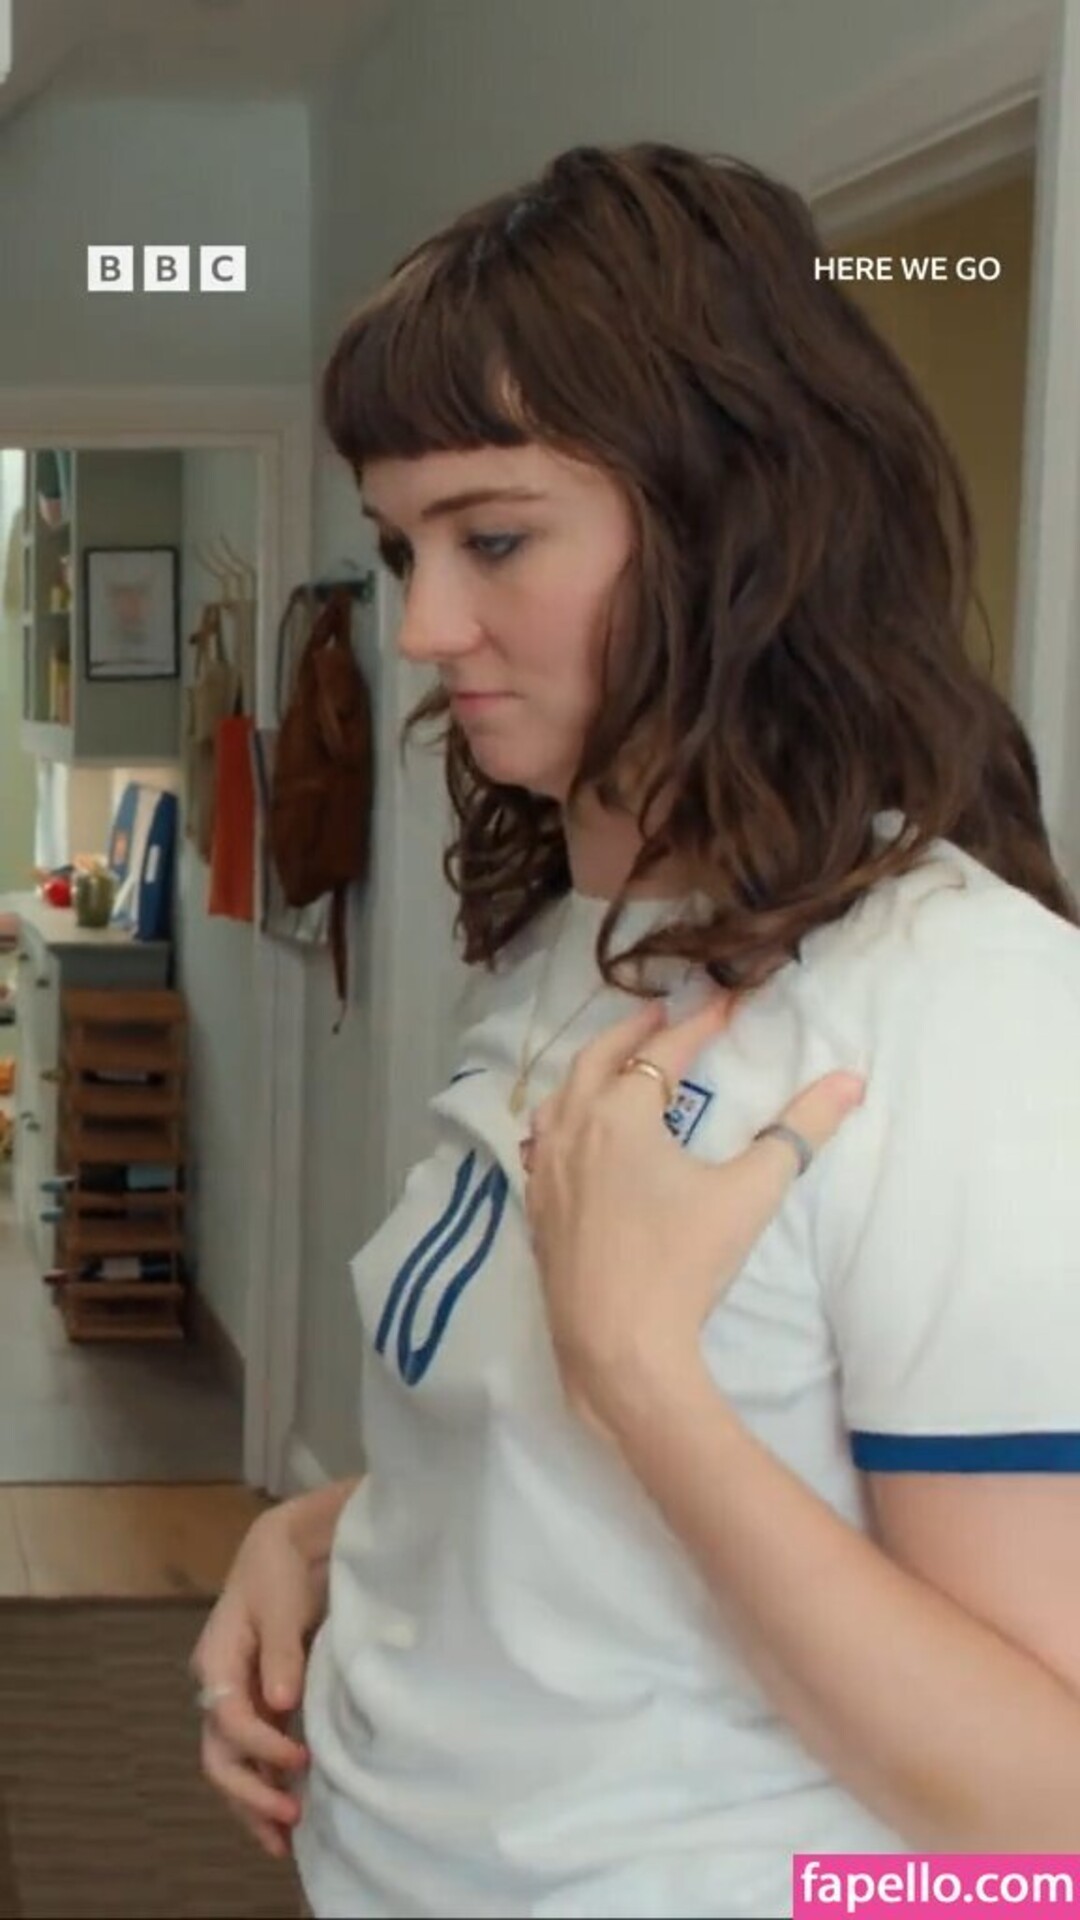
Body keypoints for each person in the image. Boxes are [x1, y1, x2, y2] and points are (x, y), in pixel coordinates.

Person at [193, 142, 1080, 1919]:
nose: (424, 627)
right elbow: (566, 1479)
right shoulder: (575, 948)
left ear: (729, 520)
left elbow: (1040, 1812)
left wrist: (638, 1376)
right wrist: (319, 1533)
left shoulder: (972, 1021)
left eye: (495, 538)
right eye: (401, 545)